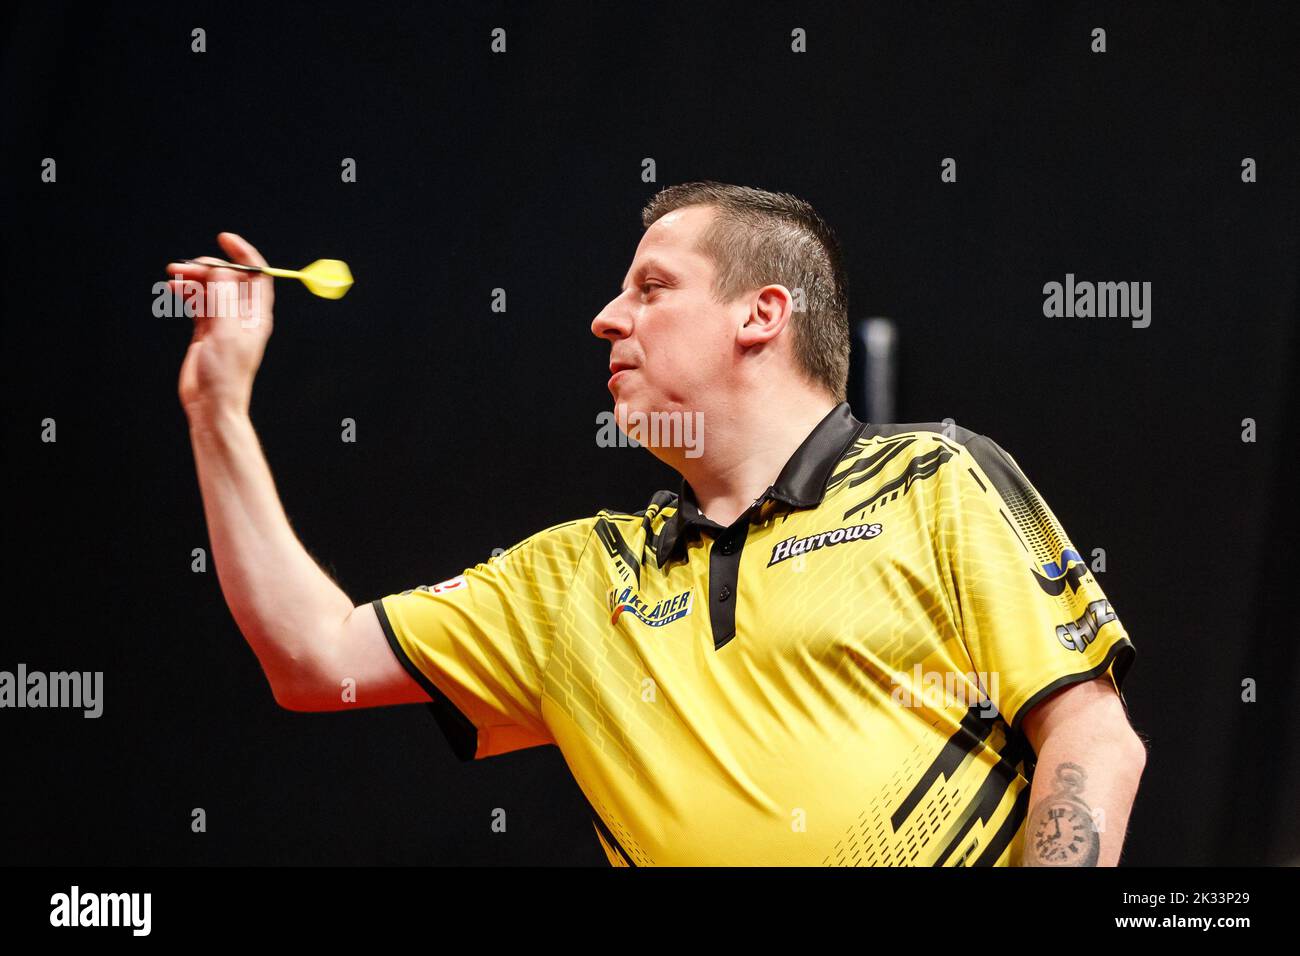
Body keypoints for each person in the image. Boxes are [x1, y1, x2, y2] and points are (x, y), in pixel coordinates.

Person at [167, 181, 1144, 867]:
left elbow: (1093, 736)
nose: (603, 317)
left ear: (760, 313)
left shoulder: (935, 480)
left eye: (650, 287)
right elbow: (310, 655)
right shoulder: (573, 579)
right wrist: (218, 406)